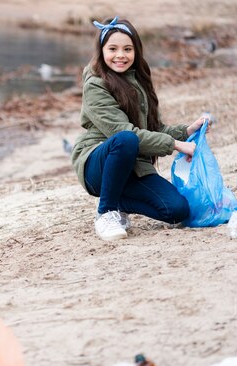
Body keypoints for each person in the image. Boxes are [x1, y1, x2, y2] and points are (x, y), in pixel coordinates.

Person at [71, 16, 209, 241]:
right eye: (112, 49)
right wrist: (175, 145)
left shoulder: (139, 80)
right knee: (126, 139)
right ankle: (106, 213)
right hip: (97, 163)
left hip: (135, 164)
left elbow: (155, 128)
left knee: (177, 210)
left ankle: (117, 201)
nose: (120, 55)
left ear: (136, 51)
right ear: (101, 51)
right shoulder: (95, 84)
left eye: (127, 49)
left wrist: (186, 131)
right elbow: (123, 133)